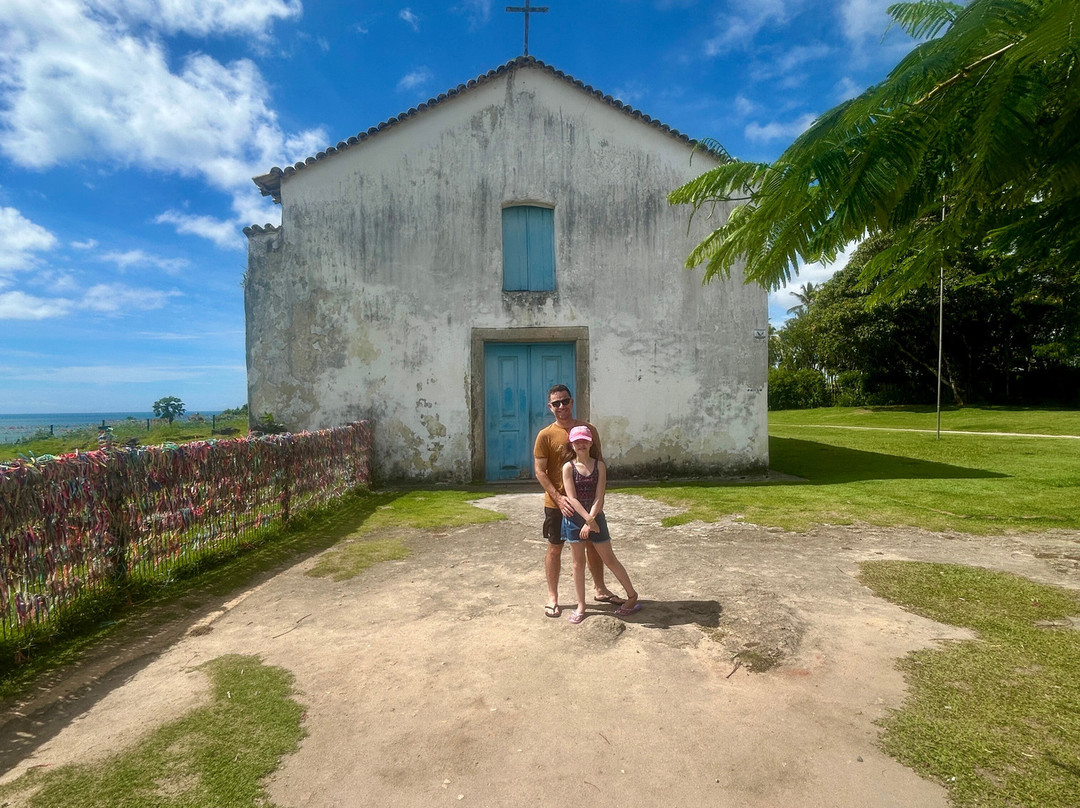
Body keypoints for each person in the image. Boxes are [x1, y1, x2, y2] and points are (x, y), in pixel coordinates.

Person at [533, 384, 623, 617]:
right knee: (555, 548)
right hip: (557, 505)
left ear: (572, 402)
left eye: (565, 401)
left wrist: (596, 502)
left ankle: (600, 589)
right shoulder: (545, 435)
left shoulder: (588, 429)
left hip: (586, 504)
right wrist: (558, 497)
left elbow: (599, 462)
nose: (561, 406)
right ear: (550, 407)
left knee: (593, 546)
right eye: (556, 403)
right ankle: (553, 597)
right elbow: (540, 471)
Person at [560, 425, 641, 624]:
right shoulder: (568, 467)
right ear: (571, 444)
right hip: (575, 519)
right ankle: (581, 605)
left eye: (584, 441)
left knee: (610, 559)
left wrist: (593, 519)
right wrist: (587, 520)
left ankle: (632, 597)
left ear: (591, 443)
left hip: (596, 518)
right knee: (577, 564)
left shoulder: (599, 466)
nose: (581, 444)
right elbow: (571, 498)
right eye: (577, 441)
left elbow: (599, 496)